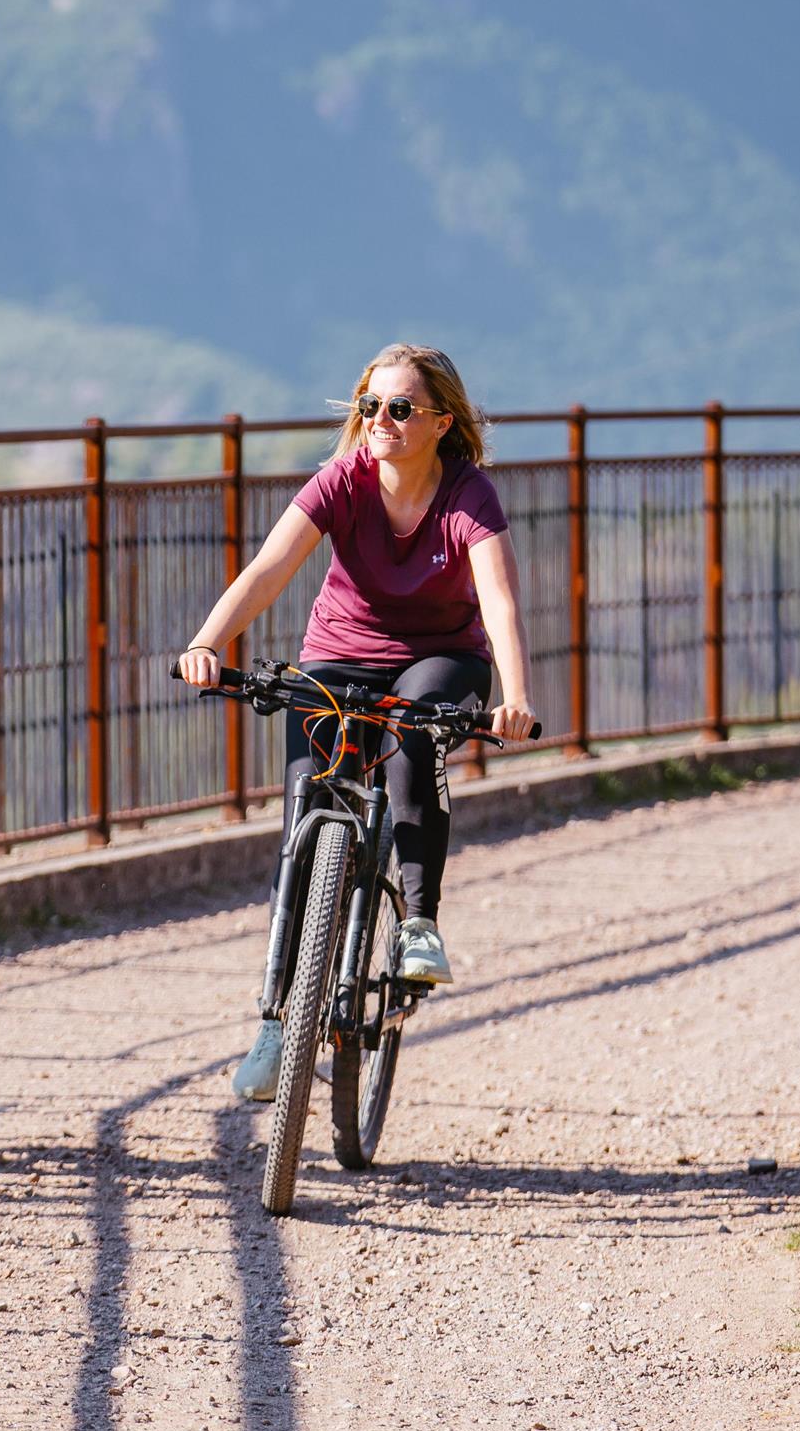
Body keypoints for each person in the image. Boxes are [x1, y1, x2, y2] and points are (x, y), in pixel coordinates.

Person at [177, 344, 535, 1102]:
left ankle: (418, 923)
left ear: (442, 421)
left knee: (412, 737)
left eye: (400, 409)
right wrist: (209, 641)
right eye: (370, 406)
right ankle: (277, 1022)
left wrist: (515, 694)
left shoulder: (470, 495)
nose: (380, 421)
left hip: (440, 657)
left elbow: (499, 602)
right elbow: (269, 568)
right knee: (305, 811)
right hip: (339, 653)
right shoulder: (342, 480)